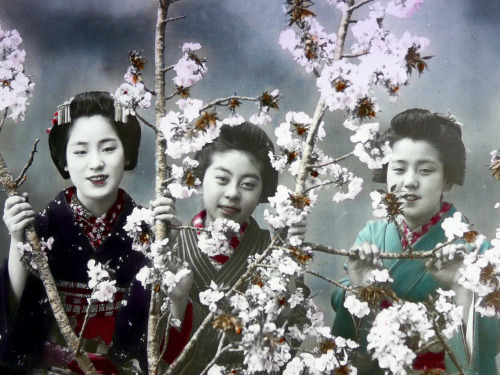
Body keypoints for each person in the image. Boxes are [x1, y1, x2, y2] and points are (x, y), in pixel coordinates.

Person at [0, 92, 193, 374]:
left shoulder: (147, 228)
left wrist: (173, 280)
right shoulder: (42, 227)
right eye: (80, 151)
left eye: (107, 148)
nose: (96, 163)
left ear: (126, 152)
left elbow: (164, 343)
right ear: (64, 161)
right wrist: (18, 241)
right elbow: (11, 313)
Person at [331, 108, 500, 375]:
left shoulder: (473, 248)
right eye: (398, 169)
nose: (409, 182)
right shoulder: (371, 237)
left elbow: (490, 340)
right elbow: (347, 340)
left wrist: (462, 288)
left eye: (425, 170)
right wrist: (360, 288)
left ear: (446, 178)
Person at [152, 123, 306, 374]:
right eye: (222, 179)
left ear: (262, 193)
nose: (233, 193)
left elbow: (291, 335)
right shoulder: (174, 242)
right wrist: (175, 294)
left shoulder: (273, 250)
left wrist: (287, 257)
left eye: (247, 184)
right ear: (200, 180)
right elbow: (149, 340)